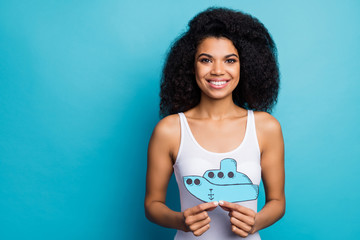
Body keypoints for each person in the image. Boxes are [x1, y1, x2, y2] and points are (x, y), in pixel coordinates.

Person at [144, 7, 285, 240]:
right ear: (192, 66)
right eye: (206, 60)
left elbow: (277, 201)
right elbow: (152, 204)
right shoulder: (170, 130)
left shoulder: (265, 127)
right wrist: (180, 221)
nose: (218, 71)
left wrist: (256, 221)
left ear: (245, 66)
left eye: (230, 60)